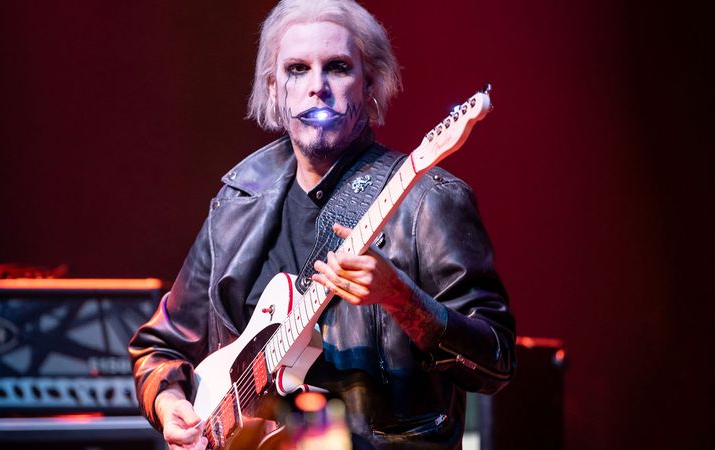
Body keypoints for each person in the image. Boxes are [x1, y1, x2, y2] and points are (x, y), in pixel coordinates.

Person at [128, 1, 515, 449]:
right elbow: (159, 347)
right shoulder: (237, 204)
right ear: (274, 89)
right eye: (296, 69)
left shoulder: (428, 202)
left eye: (337, 67)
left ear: (369, 83)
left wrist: (403, 301)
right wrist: (168, 400)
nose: (317, 87)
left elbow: (497, 363)